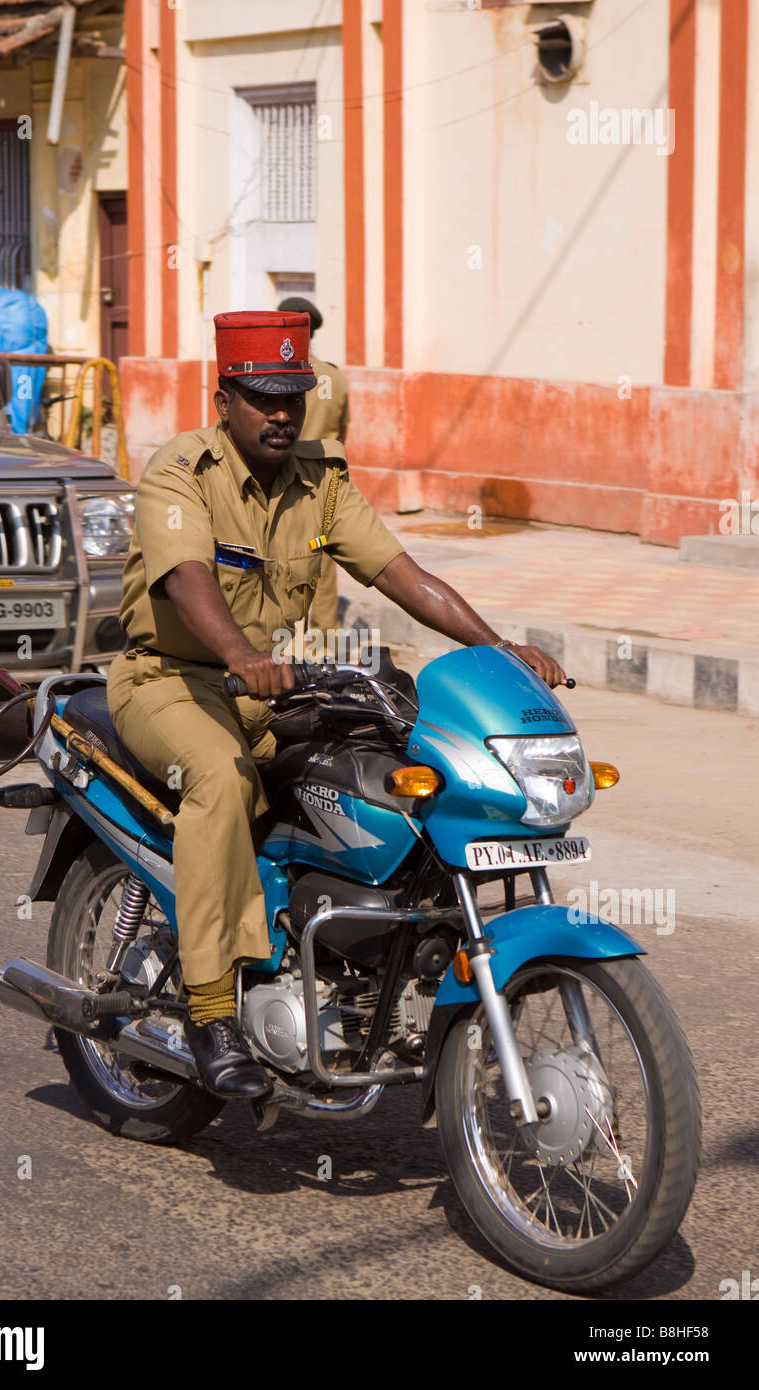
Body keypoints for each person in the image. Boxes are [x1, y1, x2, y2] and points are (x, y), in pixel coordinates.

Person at [107, 309, 566, 1103]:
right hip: (175, 682)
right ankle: (214, 1008)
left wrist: (500, 649)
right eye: (264, 398)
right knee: (221, 778)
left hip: (289, 687)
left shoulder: (321, 485)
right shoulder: (180, 473)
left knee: (393, 778)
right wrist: (242, 656)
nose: (283, 413)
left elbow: (402, 575)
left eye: (293, 396)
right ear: (226, 400)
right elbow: (188, 578)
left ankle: (363, 965)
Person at [277, 295, 347, 636]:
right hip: (326, 478)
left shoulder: (279, 377)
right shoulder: (335, 378)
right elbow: (341, 435)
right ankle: (325, 637)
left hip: (282, 476)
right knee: (323, 553)